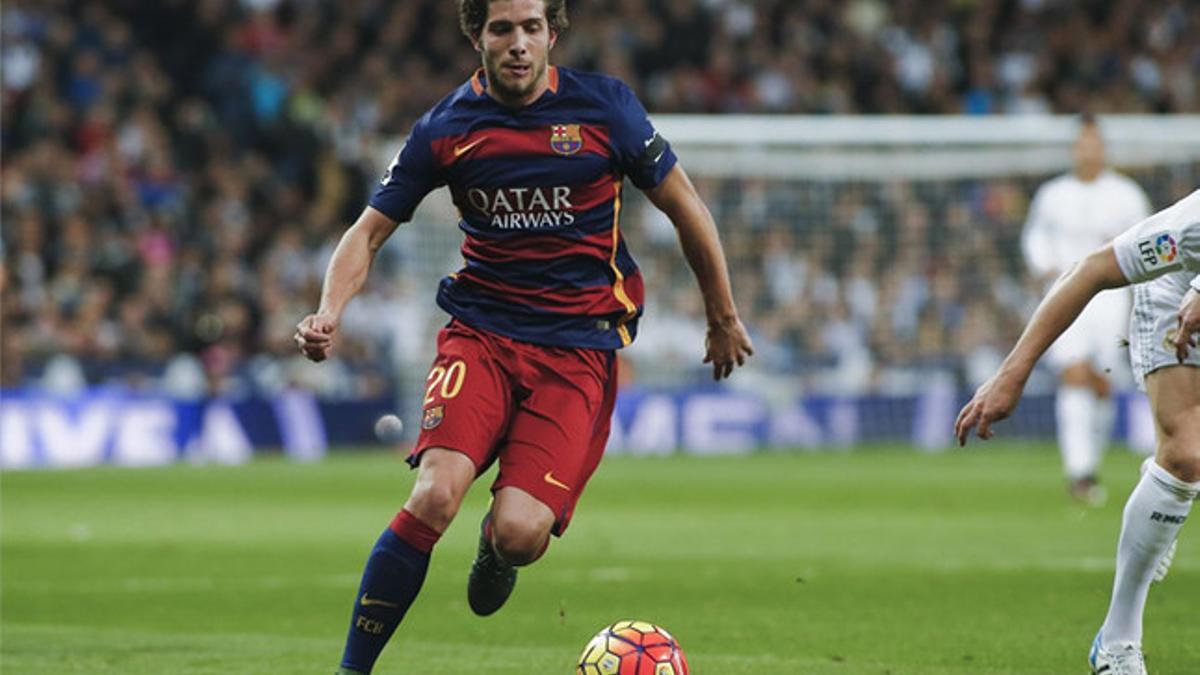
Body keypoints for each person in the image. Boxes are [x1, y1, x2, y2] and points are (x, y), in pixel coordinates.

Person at [293, 1, 754, 673]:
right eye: (502, 29)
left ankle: (494, 544)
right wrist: (328, 309)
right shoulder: (446, 127)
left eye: (531, 28)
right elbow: (367, 230)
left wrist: (723, 314)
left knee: (518, 532)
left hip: (578, 347)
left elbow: (685, 206)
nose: (517, 44)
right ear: (476, 36)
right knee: (433, 493)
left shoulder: (606, 110)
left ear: (552, 34)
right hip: (481, 335)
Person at [956, 189, 1200, 674]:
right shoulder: (1188, 230)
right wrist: (1011, 376)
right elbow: (1089, 271)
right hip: (1175, 300)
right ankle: (1118, 642)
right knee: (1187, 457)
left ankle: (1161, 497)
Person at [1020, 114, 1151, 504]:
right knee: (1073, 374)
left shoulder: (1127, 195)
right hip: (1063, 296)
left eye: (1094, 144)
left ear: (1103, 149)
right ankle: (1079, 471)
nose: (1088, 151)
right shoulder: (1052, 194)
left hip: (1111, 301)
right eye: (1082, 144)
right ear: (1074, 149)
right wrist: (1041, 264)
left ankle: (1090, 464)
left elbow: (1145, 242)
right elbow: (1034, 237)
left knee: (1101, 381)